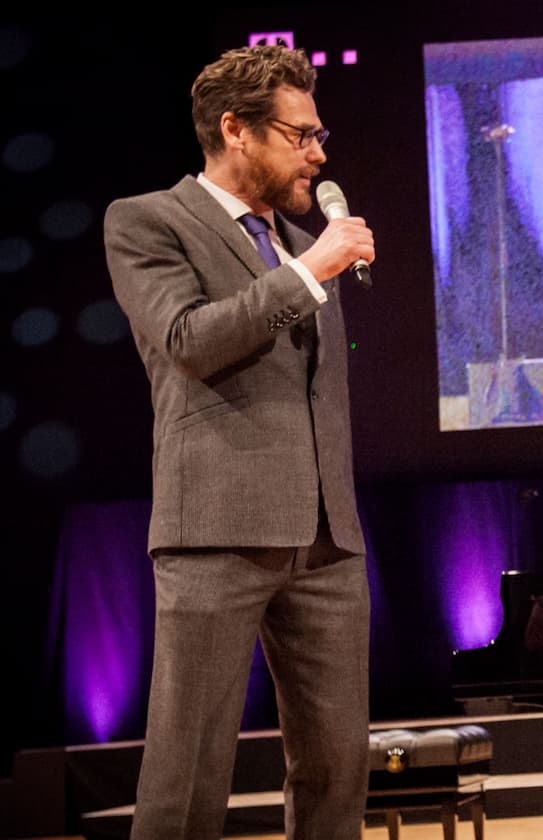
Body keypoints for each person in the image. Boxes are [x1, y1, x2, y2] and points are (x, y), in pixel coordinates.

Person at [103, 44, 376, 838]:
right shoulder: (148, 219)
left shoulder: (294, 240)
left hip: (326, 539)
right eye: (301, 136)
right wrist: (309, 272)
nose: (319, 154)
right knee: (188, 773)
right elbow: (188, 339)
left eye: (319, 134)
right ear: (236, 130)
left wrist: (307, 263)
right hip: (217, 529)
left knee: (336, 769)